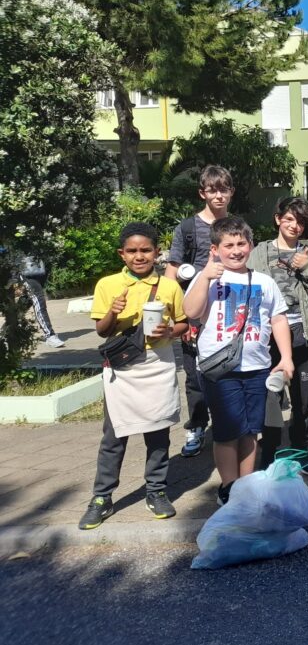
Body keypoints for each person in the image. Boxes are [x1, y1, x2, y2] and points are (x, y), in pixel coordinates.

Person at [79, 223, 188, 529]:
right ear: (122, 254)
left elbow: (182, 323)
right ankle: (101, 498)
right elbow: (102, 330)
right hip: (122, 369)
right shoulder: (108, 285)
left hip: (158, 363)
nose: (139, 256)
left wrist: (171, 331)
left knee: (158, 433)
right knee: (114, 437)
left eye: (146, 250)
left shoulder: (169, 286)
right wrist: (114, 311)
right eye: (132, 251)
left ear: (157, 253)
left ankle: (156, 491)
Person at [182, 216, 294, 506]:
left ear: (251, 245)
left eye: (241, 244)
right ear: (215, 249)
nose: (235, 250)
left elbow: (278, 318)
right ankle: (229, 487)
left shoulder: (263, 281)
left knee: (250, 430)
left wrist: (286, 357)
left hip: (257, 367)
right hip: (220, 370)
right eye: (228, 245)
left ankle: (247, 485)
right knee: (227, 432)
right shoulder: (207, 278)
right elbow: (191, 312)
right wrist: (206, 275)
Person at [249, 197, 308, 474]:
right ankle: (268, 455)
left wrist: (305, 267)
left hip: (301, 331)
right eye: (290, 219)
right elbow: (252, 288)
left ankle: (301, 453)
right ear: (278, 219)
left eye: (301, 221)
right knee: (270, 399)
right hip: (267, 335)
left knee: (302, 399)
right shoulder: (259, 251)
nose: (295, 225)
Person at [165, 165, 235, 459]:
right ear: (202, 193)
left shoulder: (237, 224)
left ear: (231, 192)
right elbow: (171, 273)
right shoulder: (188, 228)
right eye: (212, 190)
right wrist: (175, 317)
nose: (218, 195)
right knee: (194, 375)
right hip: (194, 311)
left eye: (224, 189)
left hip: (229, 309)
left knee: (229, 370)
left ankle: (228, 426)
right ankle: (195, 427)